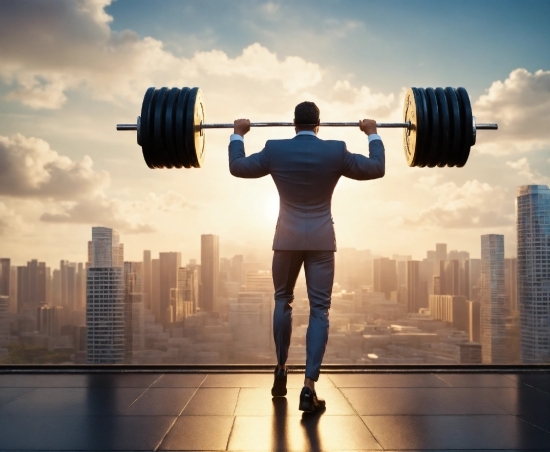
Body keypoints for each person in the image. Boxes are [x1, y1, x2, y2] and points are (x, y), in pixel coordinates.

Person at [228, 101, 385, 412]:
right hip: (321, 242)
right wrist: (372, 133)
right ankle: (308, 388)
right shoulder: (336, 151)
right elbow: (376, 167)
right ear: (319, 125)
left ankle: (280, 369)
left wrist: (237, 134)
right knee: (319, 311)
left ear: (293, 124)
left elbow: (238, 167)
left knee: (281, 300)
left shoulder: (274, 149)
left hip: (286, 240)